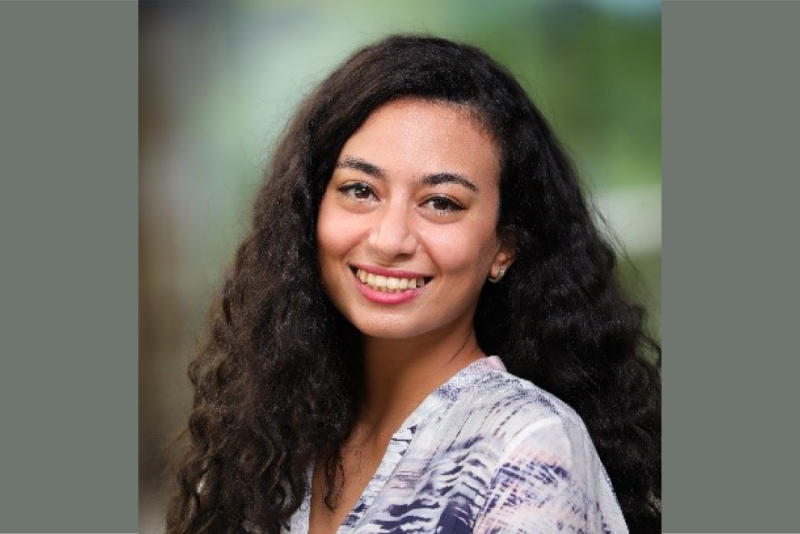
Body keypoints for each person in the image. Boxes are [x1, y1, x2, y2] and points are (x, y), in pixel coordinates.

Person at [166, 35, 661, 534]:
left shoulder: (527, 447)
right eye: (360, 190)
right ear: (310, 213)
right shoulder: (267, 440)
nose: (390, 238)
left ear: (503, 247)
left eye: (441, 202)